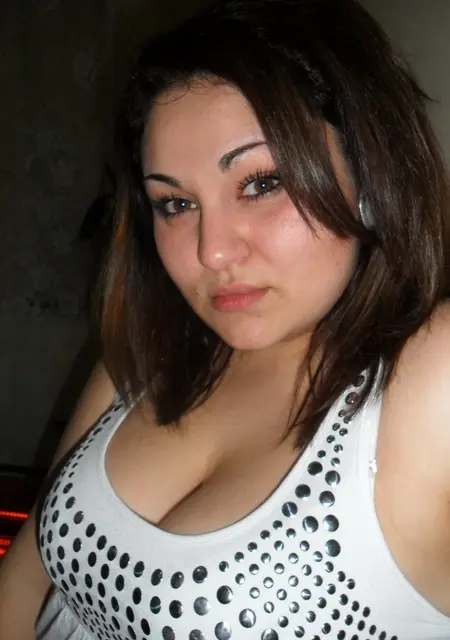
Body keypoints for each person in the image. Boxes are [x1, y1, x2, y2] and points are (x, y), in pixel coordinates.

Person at [2, 0, 450, 637]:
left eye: (261, 184)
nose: (211, 251)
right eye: (175, 203)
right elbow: (23, 585)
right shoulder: (148, 358)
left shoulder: (428, 382)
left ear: (371, 176)